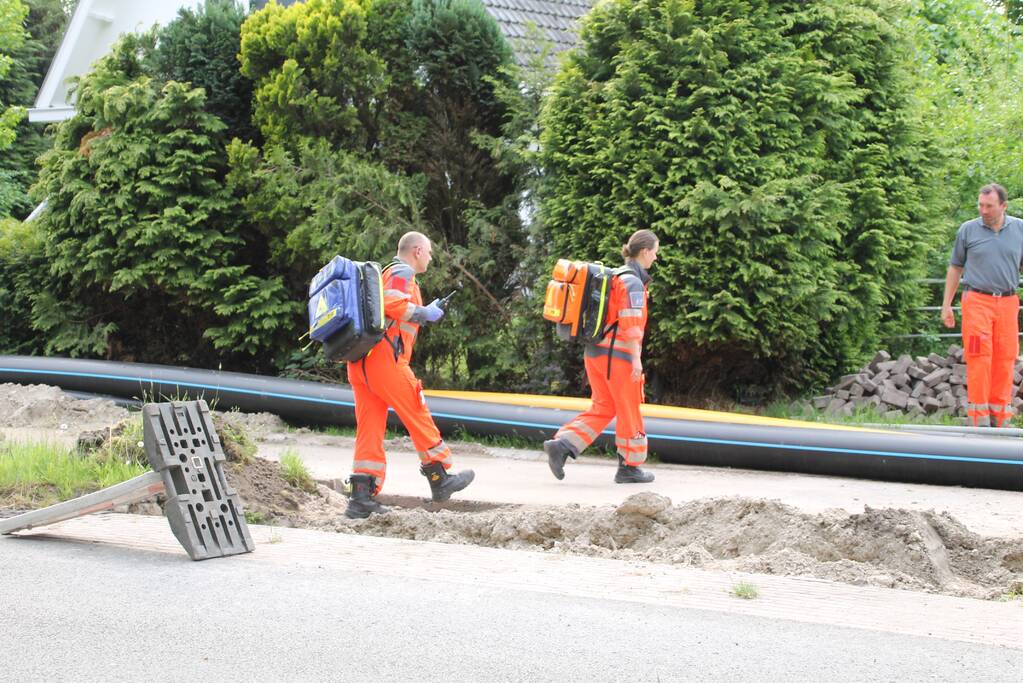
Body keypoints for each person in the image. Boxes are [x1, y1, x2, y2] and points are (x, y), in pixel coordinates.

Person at [344, 232, 474, 519]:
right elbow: (393, 302)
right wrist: (425, 312)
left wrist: (424, 311)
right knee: (417, 410)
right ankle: (440, 477)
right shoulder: (402, 271)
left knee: (370, 428)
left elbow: (391, 307)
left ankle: (360, 497)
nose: (430, 257)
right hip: (385, 360)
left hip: (360, 364)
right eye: (429, 253)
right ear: (417, 251)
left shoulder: (385, 272)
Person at [543, 229, 660, 483]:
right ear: (645, 252)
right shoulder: (633, 282)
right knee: (629, 409)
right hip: (618, 357)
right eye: (655, 253)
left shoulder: (617, 276)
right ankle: (629, 466)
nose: (656, 259)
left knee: (604, 406)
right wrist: (636, 359)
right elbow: (631, 325)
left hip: (596, 353)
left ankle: (562, 445)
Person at [941, 183, 1023, 427]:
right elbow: (956, 267)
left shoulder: (1020, 229)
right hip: (976, 302)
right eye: (980, 205)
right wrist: (946, 305)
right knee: (979, 357)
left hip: (1008, 303)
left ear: (1003, 206)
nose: (983, 210)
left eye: (989, 206)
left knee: (1006, 357)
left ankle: (1001, 418)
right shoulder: (968, 230)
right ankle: (979, 421)